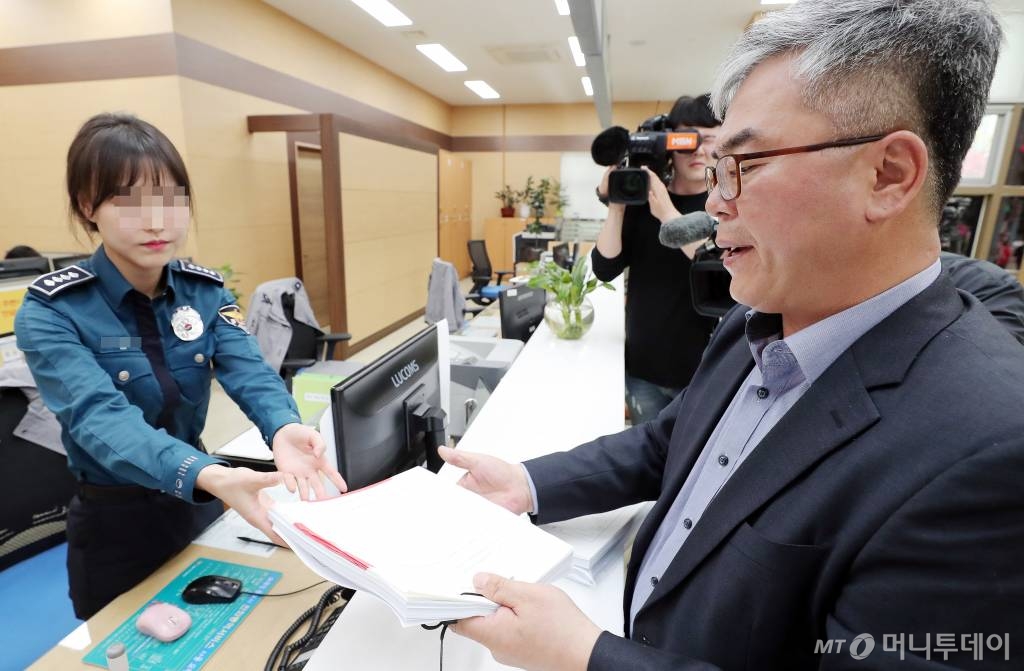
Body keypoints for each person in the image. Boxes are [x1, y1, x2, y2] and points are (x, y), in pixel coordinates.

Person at [440, 1, 1024, 668]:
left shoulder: (990, 456)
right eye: (715, 170)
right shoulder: (757, 315)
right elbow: (673, 441)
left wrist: (589, 656)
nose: (715, 203)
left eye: (742, 165)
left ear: (887, 175)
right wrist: (527, 482)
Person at [14, 113, 347, 619]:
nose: (157, 221)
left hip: (203, 496)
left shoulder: (204, 290)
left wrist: (283, 428)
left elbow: (248, 368)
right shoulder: (52, 310)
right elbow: (99, 417)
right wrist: (207, 474)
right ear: (88, 206)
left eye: (172, 199)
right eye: (129, 201)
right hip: (115, 522)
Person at [592, 94, 719, 424]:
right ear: (669, 144)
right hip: (643, 368)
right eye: (689, 140)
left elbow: (719, 273)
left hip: (703, 372)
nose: (699, 151)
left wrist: (667, 214)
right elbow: (604, 268)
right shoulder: (642, 201)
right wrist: (618, 204)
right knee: (646, 464)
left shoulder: (724, 205)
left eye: (710, 140)